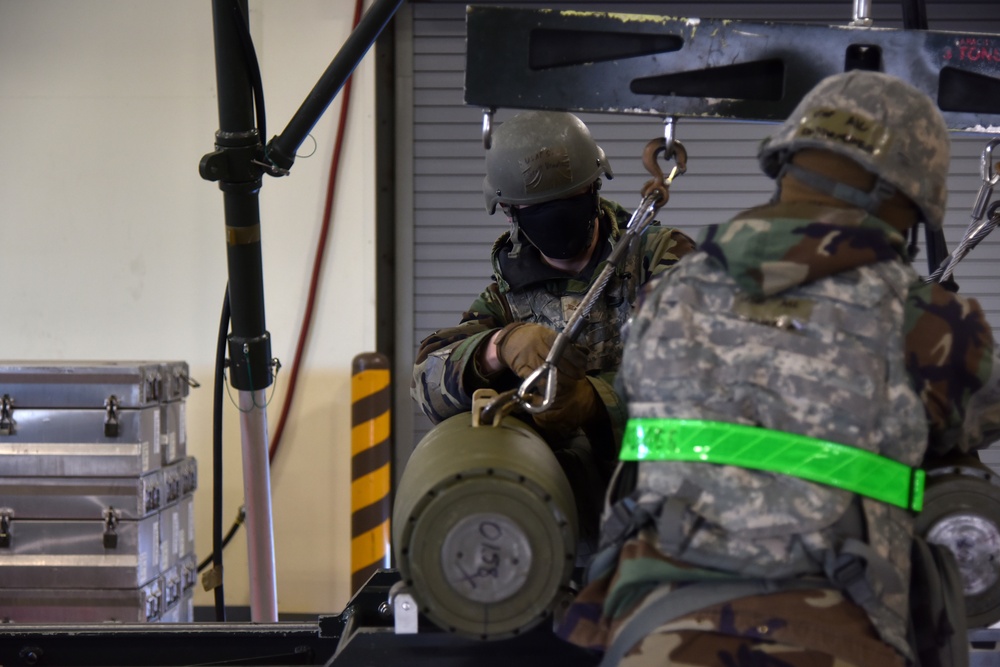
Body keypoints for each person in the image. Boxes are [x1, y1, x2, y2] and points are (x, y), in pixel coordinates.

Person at [557, 70, 996, 666]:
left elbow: (639, 402)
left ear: (785, 169)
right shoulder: (931, 324)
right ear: (906, 198)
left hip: (651, 637)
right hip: (835, 641)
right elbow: (974, 423)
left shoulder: (669, 295)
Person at [411, 110, 696, 546]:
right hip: (564, 529)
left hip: (672, 520)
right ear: (509, 213)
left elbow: (700, 375)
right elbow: (428, 386)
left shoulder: (658, 259)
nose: (558, 219)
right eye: (538, 210)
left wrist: (594, 402)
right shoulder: (505, 300)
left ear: (595, 188)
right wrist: (498, 347)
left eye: (572, 197)